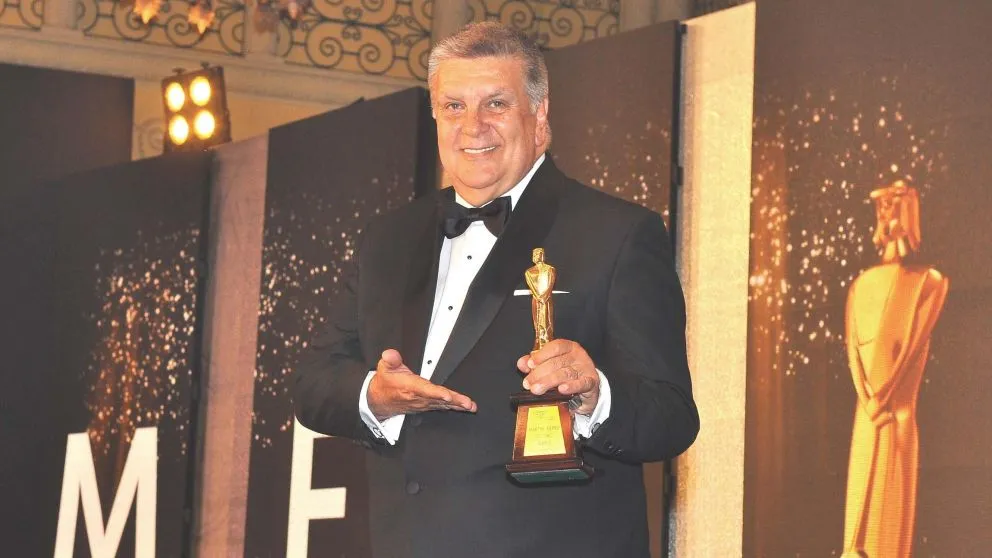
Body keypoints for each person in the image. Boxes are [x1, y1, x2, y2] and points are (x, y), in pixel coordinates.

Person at [294, 21, 698, 558]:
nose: (473, 126)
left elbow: (671, 416)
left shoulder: (618, 234)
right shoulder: (387, 238)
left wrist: (595, 394)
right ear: (435, 116)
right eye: (454, 106)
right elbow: (314, 382)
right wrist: (375, 396)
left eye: (496, 104)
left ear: (540, 115)